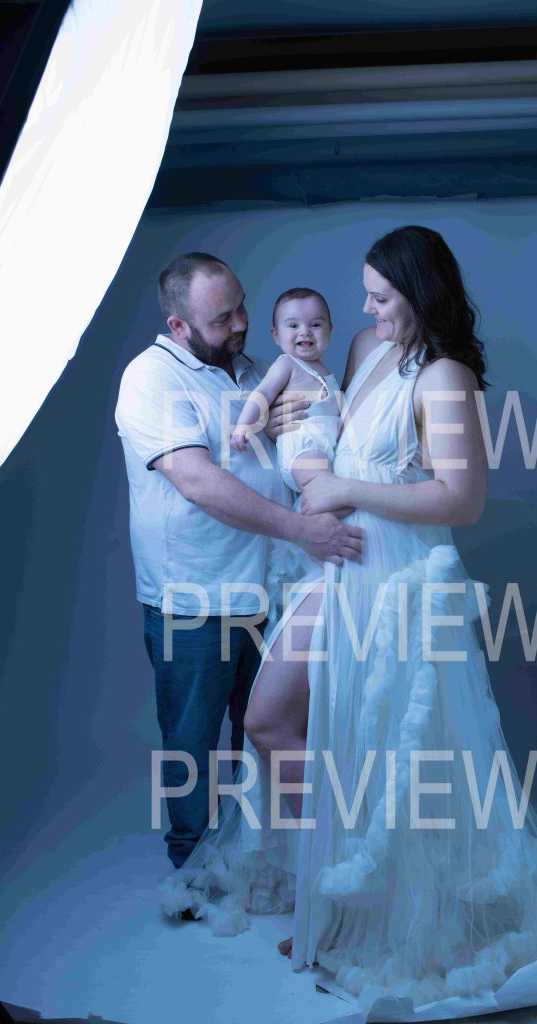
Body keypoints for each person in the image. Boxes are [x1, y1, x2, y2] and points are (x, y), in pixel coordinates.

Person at [161, 228, 537, 1016]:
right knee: (271, 719)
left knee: (389, 742)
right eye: (365, 296)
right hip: (337, 562)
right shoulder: (365, 348)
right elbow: (327, 424)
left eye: (380, 297)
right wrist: (294, 426)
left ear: (420, 295)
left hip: (398, 577)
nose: (364, 309)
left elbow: (460, 499)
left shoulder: (444, 377)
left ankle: (368, 902)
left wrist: (345, 489)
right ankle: (338, 881)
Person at [115, 252, 363, 869]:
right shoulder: (151, 378)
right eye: (222, 319)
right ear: (178, 326)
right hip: (194, 597)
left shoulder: (251, 369)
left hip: (268, 590)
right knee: (192, 744)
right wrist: (303, 530)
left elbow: (276, 447)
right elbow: (197, 480)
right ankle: (192, 870)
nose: (241, 324)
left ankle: (253, 860)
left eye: (242, 308)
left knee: (264, 734)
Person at [231, 287, 341, 494]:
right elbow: (262, 393)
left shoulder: (324, 370)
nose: (305, 331)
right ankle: (317, 505)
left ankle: (313, 505)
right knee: (323, 488)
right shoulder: (287, 364)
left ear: (330, 330)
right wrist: (243, 424)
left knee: (331, 485)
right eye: (293, 325)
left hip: (326, 446)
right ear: (276, 335)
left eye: (316, 324)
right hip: (304, 447)